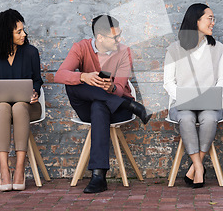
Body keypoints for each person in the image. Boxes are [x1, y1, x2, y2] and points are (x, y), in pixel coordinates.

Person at [54, 15, 151, 193]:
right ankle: (132, 106)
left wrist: (112, 88)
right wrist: (83, 76)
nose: (119, 40)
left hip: (116, 111)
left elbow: (121, 88)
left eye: (120, 35)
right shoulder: (81, 48)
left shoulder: (124, 51)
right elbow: (59, 75)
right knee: (72, 84)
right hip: (107, 106)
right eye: (115, 37)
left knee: (99, 106)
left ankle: (98, 176)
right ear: (99, 37)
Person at [163, 3, 223, 188]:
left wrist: (212, 96)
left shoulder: (218, 48)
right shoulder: (174, 49)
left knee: (209, 118)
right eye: (210, 18)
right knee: (186, 118)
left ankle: (194, 168)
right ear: (196, 20)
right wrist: (187, 98)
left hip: (210, 103)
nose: (213, 23)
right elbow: (168, 82)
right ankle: (199, 168)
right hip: (181, 104)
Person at [0, 9, 43, 191]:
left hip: (28, 108)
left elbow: (38, 81)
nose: (23, 34)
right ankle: (4, 169)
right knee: (2, 107)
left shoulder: (31, 53)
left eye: (23, 30)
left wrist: (35, 93)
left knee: (18, 107)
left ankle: (19, 169)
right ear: (5, 34)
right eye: (18, 31)